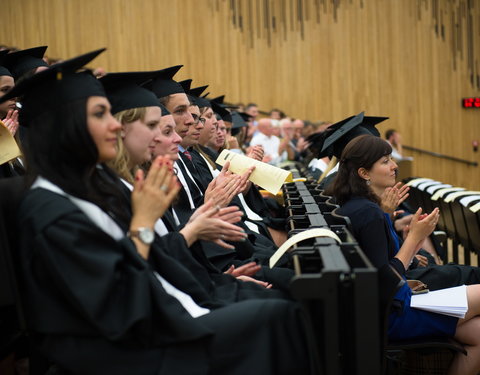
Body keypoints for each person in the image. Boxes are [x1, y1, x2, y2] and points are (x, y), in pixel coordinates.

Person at [2, 49, 319, 375]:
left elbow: (143, 268)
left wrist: (207, 278)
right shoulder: (50, 211)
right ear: (65, 126)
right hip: (130, 353)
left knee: (285, 307)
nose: (114, 127)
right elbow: (119, 306)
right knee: (277, 316)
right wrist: (144, 222)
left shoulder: (86, 192)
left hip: (154, 325)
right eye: (100, 114)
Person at [328, 134, 480, 375]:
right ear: (364, 173)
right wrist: (414, 238)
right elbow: (384, 282)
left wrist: (406, 236)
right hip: (394, 314)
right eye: (385, 161)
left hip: (384, 307)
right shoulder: (368, 213)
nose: (394, 166)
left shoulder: (354, 206)